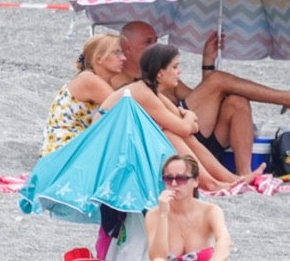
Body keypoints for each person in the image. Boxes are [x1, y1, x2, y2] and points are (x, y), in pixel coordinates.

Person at [111, 21, 290, 174]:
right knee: (217, 82)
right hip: (176, 141)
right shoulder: (119, 82)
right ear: (127, 48)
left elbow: (207, 99)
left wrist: (208, 60)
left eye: (157, 40)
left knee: (236, 101)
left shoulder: (165, 78)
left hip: (199, 136)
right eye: (149, 42)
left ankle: (244, 173)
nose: (156, 46)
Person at [100, 44, 254, 191]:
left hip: (118, 144)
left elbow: (193, 128)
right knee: (170, 134)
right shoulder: (142, 92)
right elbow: (186, 127)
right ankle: (211, 183)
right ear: (160, 73)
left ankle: (230, 179)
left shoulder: (153, 93)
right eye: (175, 67)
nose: (179, 72)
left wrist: (187, 118)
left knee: (178, 135)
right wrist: (189, 115)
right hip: (104, 150)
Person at [141, 154, 258, 261]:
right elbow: (156, 256)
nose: (173, 184)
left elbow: (225, 242)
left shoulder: (210, 211)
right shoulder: (154, 214)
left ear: (195, 181)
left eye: (181, 178)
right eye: (168, 178)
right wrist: (164, 214)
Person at [40, 32, 126, 155]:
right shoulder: (89, 80)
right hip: (65, 151)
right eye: (117, 53)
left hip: (68, 148)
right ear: (99, 59)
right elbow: (126, 108)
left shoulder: (96, 79)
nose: (124, 58)